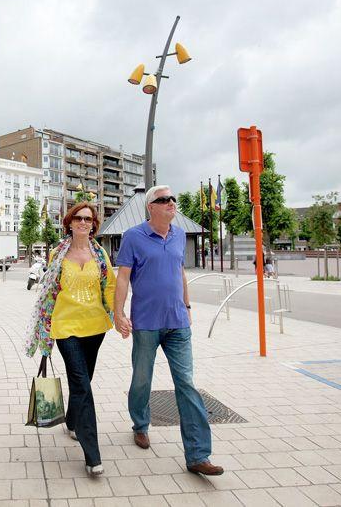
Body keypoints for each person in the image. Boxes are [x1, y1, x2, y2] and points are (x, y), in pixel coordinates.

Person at [114, 185, 223, 477]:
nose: (171, 203)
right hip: (146, 322)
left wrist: (187, 306)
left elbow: (180, 272)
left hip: (178, 322)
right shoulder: (133, 237)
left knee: (186, 384)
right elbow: (123, 278)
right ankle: (140, 424)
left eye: (172, 199)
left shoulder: (178, 236)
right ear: (151, 206)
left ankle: (199, 455)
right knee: (141, 379)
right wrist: (118, 313)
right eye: (164, 200)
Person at [25, 202, 115, 477]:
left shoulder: (100, 254)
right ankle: (92, 455)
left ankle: (73, 422)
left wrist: (120, 315)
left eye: (88, 219)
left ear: (94, 224)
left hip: (95, 326)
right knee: (81, 385)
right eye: (78, 218)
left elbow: (109, 285)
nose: (83, 222)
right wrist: (44, 329)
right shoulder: (57, 254)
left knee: (83, 382)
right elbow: (49, 291)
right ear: (70, 222)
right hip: (65, 328)